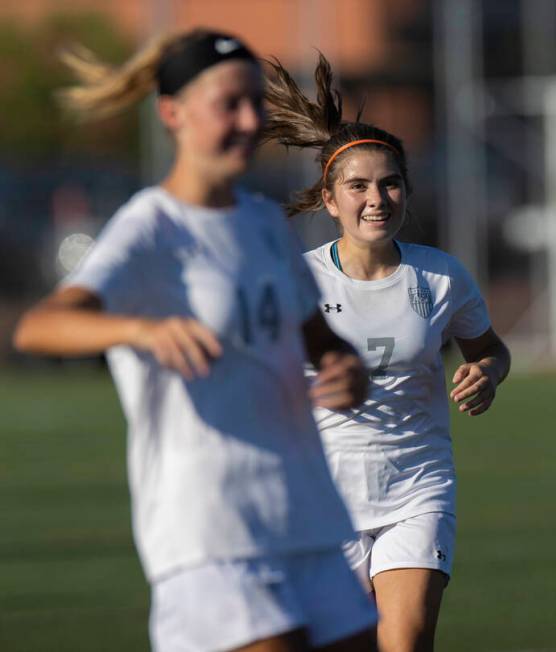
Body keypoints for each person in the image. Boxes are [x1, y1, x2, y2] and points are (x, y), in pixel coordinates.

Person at [12, 29, 378, 652]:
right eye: (227, 105)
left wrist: (345, 367)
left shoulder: (262, 222)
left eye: (253, 104)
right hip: (211, 533)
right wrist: (140, 330)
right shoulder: (151, 226)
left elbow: (320, 339)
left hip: (307, 517)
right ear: (172, 114)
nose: (247, 120)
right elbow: (39, 326)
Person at [260, 54, 511, 652]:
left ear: (407, 190)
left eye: (390, 182)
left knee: (406, 640)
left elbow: (490, 349)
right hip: (324, 498)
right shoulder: (296, 282)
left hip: (417, 486)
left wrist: (488, 372)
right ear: (330, 198)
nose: (377, 198)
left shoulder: (442, 276)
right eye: (359, 186)